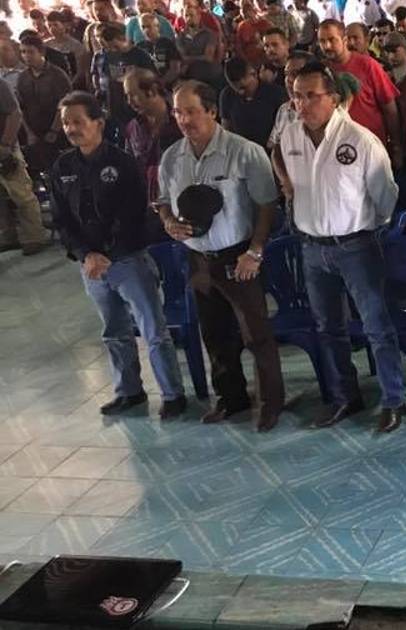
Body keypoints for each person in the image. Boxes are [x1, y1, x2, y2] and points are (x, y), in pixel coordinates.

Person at [273, 62, 404, 433]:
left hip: (356, 247)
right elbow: (281, 162)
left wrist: (366, 227)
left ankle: (393, 400)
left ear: (333, 98)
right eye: (297, 96)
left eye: (312, 96)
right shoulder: (290, 136)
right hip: (312, 248)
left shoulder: (360, 140)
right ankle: (346, 396)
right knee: (329, 328)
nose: (303, 104)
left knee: (376, 326)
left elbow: (386, 197)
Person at [157, 80, 285, 432]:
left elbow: (266, 205)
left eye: (191, 111)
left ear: (212, 111)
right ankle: (231, 398)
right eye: (178, 112)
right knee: (214, 334)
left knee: (255, 333)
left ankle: (271, 402)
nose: (184, 120)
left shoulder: (244, 152)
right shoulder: (172, 157)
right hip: (199, 259)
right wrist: (169, 222)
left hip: (238, 255)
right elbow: (163, 202)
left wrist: (254, 251)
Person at [50, 91, 187, 419]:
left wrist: (106, 253)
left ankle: (173, 394)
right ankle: (129, 391)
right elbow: (61, 220)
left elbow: (131, 214)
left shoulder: (122, 163)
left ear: (98, 123)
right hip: (91, 266)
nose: (71, 129)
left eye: (78, 121)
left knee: (153, 330)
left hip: (128, 259)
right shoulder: (62, 167)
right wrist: (86, 254)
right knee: (113, 330)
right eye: (66, 123)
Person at [318, 20, 405, 164]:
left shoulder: (369, 65)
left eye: (332, 40)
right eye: (322, 41)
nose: (327, 46)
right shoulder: (321, 71)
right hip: (339, 149)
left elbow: (389, 108)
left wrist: (396, 145)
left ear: (344, 40)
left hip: (372, 146)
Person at [0, 75, 49, 255]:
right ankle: (8, 235)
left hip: (5, 147)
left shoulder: (1, 85)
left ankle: (34, 237)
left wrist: (6, 145)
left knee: (21, 194)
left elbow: (15, 114)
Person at [123, 69, 180, 213]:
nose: (129, 102)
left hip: (178, 204)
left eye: (133, 95)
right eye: (127, 96)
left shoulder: (181, 122)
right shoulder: (132, 128)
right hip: (145, 208)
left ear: (152, 90)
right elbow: (130, 169)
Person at [15, 32, 70, 174]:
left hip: (58, 132)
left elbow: (65, 105)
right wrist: (29, 132)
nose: (26, 56)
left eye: (30, 52)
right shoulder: (22, 78)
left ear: (41, 52)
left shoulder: (57, 75)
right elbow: (21, 107)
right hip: (34, 132)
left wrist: (54, 131)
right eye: (23, 52)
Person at [219, 56, 289, 150]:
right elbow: (226, 129)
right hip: (240, 150)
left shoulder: (276, 94)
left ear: (254, 74)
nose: (240, 93)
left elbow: (283, 129)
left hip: (269, 150)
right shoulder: (227, 95)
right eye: (236, 89)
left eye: (244, 88)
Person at [45, 10, 88, 88]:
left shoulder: (76, 45)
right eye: (49, 26)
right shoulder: (46, 45)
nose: (52, 28)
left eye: (55, 25)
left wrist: (69, 85)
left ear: (64, 25)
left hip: (73, 84)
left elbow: (80, 71)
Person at [136, 11, 181, 84]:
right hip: (147, 85)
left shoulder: (167, 43)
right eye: (143, 27)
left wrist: (161, 83)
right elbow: (136, 70)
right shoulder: (139, 46)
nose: (146, 30)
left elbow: (175, 69)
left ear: (157, 26)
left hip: (168, 84)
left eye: (149, 26)